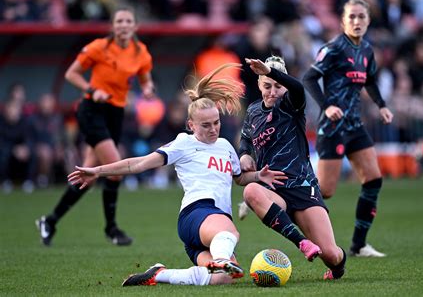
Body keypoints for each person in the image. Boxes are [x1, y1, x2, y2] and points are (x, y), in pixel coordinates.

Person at [67, 63, 287, 286]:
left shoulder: (225, 146)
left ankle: (159, 274)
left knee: (223, 277)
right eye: (205, 125)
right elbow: (139, 164)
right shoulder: (183, 143)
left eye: (216, 122)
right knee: (230, 233)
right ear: (191, 125)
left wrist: (258, 176)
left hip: (211, 229)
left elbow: (239, 178)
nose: (213, 129)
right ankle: (221, 259)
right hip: (197, 213)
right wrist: (98, 171)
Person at [36, 7, 155, 246]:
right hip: (92, 110)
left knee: (87, 176)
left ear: (135, 27)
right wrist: (92, 90)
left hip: (115, 113)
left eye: (127, 21)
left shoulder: (141, 52)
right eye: (119, 21)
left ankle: (49, 221)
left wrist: (147, 88)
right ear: (112, 26)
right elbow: (72, 74)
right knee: (115, 168)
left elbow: (145, 76)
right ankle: (111, 229)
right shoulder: (98, 47)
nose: (123, 25)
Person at [238, 56, 346, 280]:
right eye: (267, 85)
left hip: (303, 187)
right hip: (274, 189)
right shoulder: (253, 111)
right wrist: (244, 155)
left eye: (278, 86)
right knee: (250, 191)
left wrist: (271, 71)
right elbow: (246, 139)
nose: (272, 91)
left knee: (331, 255)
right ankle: (302, 243)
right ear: (259, 85)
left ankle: (337, 268)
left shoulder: (290, 104)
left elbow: (297, 87)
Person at [302, 0, 394, 257]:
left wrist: (382, 105)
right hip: (333, 127)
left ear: (368, 20)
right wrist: (326, 106)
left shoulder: (366, 50)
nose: (356, 21)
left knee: (373, 179)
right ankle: (280, 203)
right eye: (351, 17)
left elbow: (371, 81)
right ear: (343, 21)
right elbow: (309, 77)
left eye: (361, 17)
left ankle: (358, 245)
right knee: (325, 191)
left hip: (355, 126)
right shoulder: (333, 48)